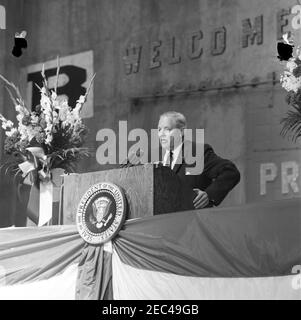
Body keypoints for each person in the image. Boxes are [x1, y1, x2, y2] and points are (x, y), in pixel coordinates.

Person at [157, 111, 240, 209]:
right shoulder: (155, 158)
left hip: (194, 220)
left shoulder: (197, 153)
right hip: (164, 221)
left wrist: (209, 195)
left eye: (167, 129)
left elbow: (230, 172)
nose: (161, 134)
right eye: (159, 129)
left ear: (181, 131)